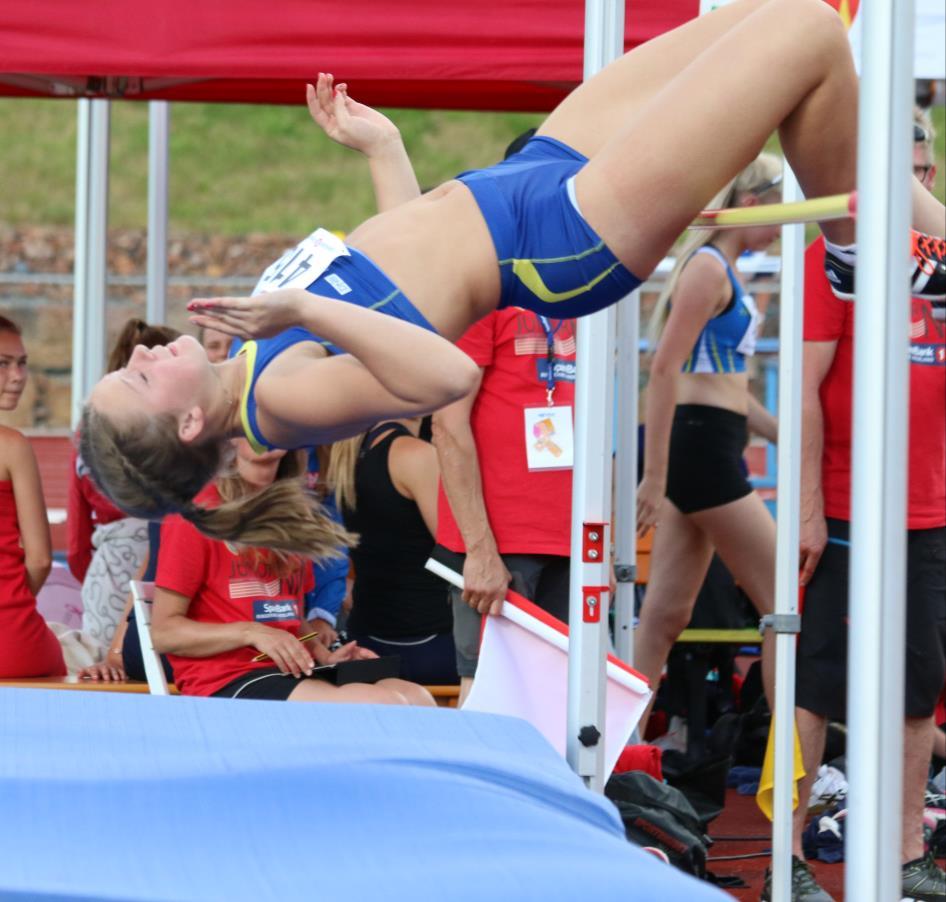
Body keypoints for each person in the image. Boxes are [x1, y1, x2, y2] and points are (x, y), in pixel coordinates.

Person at [81, 0, 946, 558]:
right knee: (803, 31)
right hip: (562, 235)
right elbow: (447, 372)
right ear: (190, 419)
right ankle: (857, 252)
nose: (143, 355)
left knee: (757, 22)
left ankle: (891, 243)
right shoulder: (280, 401)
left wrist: (384, 150)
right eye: (137, 379)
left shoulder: (260, 347)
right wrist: (304, 306)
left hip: (531, 180)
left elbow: (398, 276)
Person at [784, 109, 946, 902]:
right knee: (813, 686)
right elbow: (804, 395)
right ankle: (785, 850)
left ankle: (906, 851)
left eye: (923, 173)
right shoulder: (832, 261)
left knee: (920, 688)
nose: (913, 187)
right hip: (846, 511)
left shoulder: (937, 267)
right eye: (900, 173)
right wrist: (808, 506)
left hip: (925, 512)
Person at [633, 153, 782, 734]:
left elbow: (723, 384)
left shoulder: (730, 269)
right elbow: (665, 368)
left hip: (710, 443)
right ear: (749, 206)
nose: (784, 223)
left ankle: (618, 757)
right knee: (787, 606)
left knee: (664, 618)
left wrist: (782, 433)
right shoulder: (709, 269)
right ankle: (792, 758)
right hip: (701, 451)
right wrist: (656, 474)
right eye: (778, 210)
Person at [149, 436, 434, 706]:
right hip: (225, 681)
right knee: (380, 704)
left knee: (415, 696)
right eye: (254, 420)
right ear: (230, 434)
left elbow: (289, 617)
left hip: (291, 670)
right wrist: (251, 632)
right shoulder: (197, 515)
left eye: (275, 421)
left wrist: (325, 655)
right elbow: (163, 633)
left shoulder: (292, 512)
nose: (265, 431)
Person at [432, 306, 577, 704]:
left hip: (570, 540)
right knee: (489, 694)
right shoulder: (484, 299)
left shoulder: (581, 298)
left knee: (554, 700)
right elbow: (446, 423)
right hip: (501, 543)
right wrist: (479, 549)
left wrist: (603, 545)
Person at [68, 317, 179, 653]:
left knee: (105, 680)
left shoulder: (88, 433)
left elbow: (75, 544)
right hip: (169, 573)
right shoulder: (184, 433)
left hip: (109, 571)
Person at [326, 418, 458, 685]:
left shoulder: (348, 453)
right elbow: (459, 556)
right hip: (428, 644)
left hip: (366, 640)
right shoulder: (415, 455)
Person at [0, 315, 64, 678]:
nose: (18, 376)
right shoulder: (11, 447)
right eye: (3, 364)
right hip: (15, 644)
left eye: (22, 363)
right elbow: (40, 560)